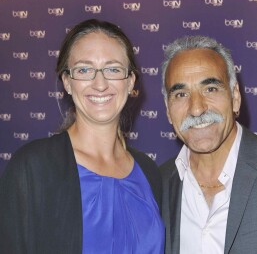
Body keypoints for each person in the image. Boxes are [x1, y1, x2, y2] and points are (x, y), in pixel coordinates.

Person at [0, 19, 165, 254]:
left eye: (113, 69)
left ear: (130, 82)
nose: (100, 84)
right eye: (84, 70)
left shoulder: (149, 173)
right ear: (67, 82)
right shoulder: (33, 167)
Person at [159, 35, 257, 254]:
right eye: (181, 94)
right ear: (168, 111)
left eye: (211, 89)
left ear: (235, 97)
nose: (196, 109)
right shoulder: (156, 184)